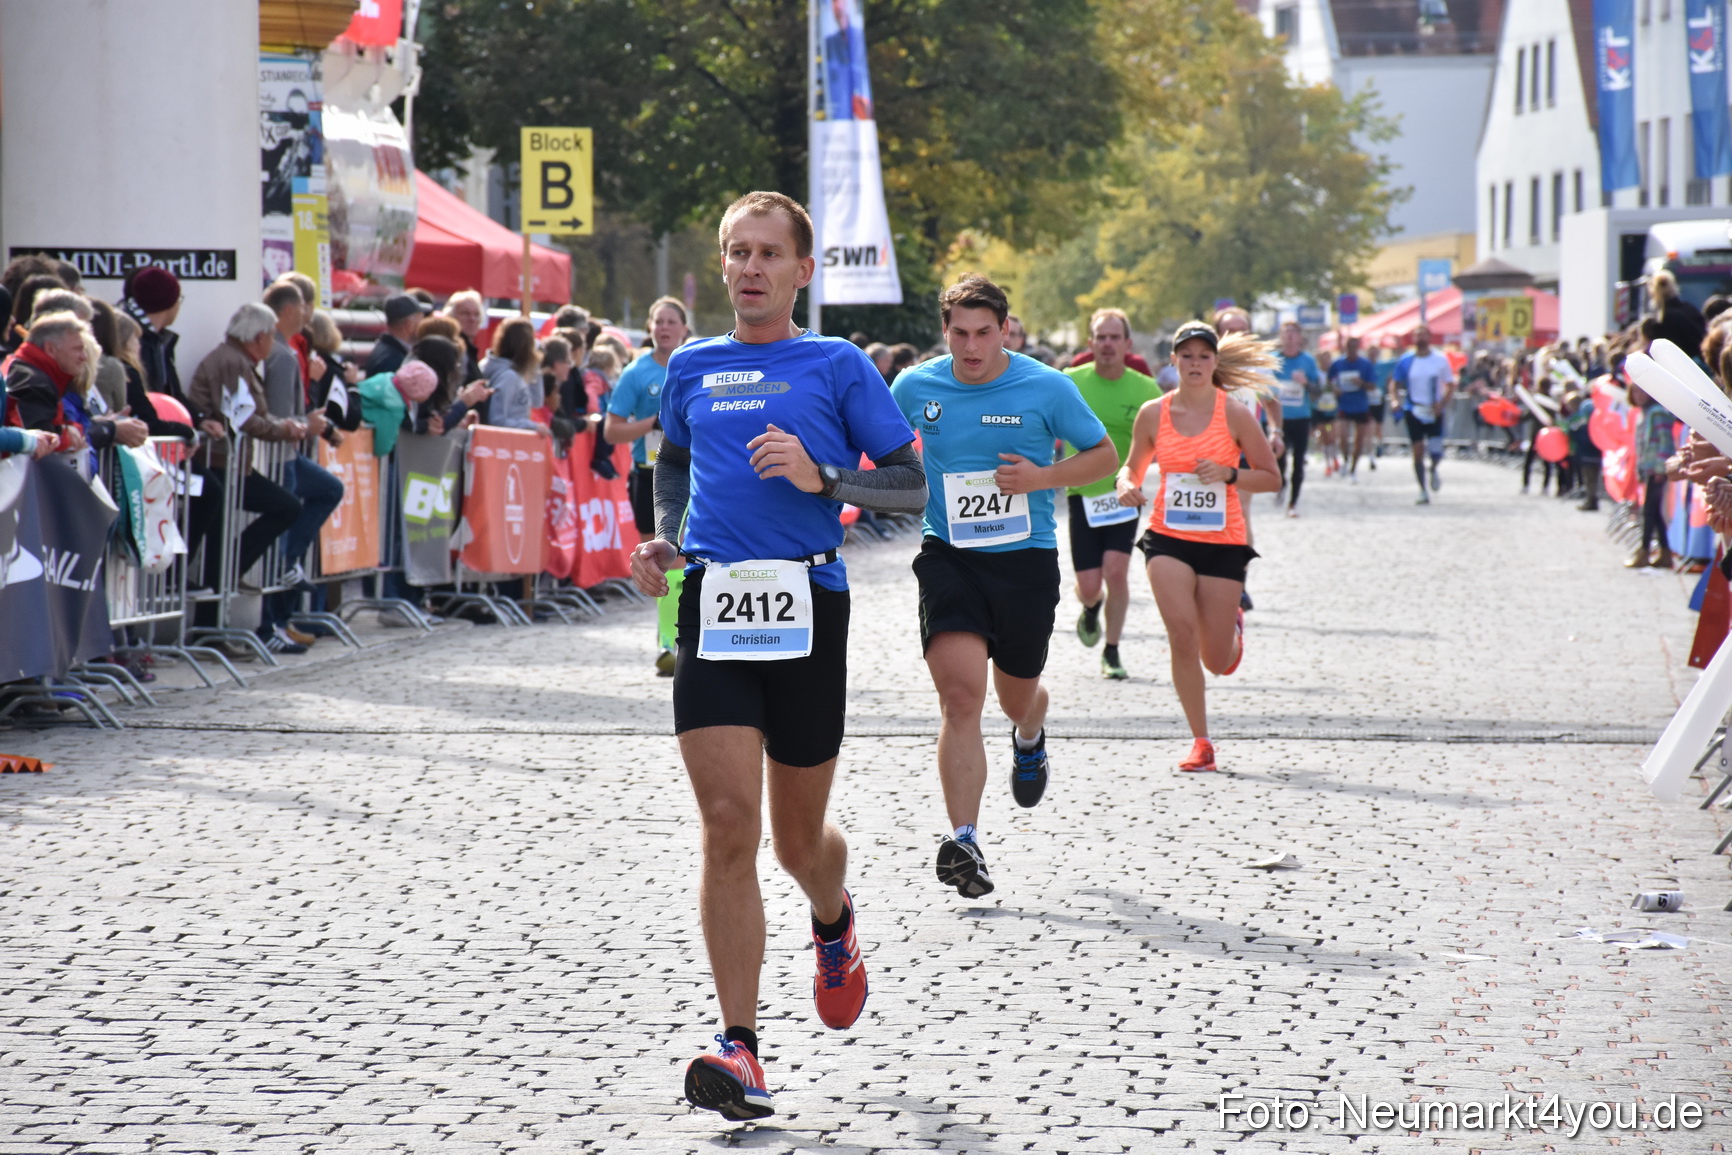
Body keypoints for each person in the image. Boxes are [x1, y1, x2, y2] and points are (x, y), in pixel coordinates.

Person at [628, 191, 925, 1122]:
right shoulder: (692, 366)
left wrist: (822, 478)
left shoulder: (836, 365)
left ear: (802, 269)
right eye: (735, 252)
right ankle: (741, 1046)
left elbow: (913, 489)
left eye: (768, 253)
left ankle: (833, 921)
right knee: (727, 823)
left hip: (807, 601)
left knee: (799, 842)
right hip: (703, 598)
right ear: (722, 265)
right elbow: (671, 464)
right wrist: (664, 536)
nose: (750, 267)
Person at [893, 274, 1116, 897]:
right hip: (948, 557)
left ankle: (1030, 733)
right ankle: (964, 839)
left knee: (1018, 696)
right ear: (945, 332)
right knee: (961, 699)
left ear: (1005, 330)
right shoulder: (915, 385)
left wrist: (1044, 476)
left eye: (984, 333)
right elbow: (874, 446)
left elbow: (1103, 456)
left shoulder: (1046, 386)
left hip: (1024, 562)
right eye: (959, 333)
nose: (971, 347)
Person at [1115, 321, 1282, 773]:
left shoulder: (1234, 415)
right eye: (1185, 356)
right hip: (1167, 538)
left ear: (1215, 362)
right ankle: (1201, 741)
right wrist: (1126, 485)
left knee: (1216, 659)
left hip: (1223, 543)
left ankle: (1233, 631)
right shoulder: (1154, 413)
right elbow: (1130, 468)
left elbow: (1271, 478)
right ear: (1172, 361)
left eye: (1203, 356)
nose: (1194, 363)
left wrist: (1229, 475)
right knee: (1181, 635)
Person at [184, 304, 309, 651]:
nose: (272, 344)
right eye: (270, 336)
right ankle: (210, 623)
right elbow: (243, 417)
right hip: (223, 462)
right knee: (277, 511)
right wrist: (283, 429)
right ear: (259, 336)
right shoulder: (231, 361)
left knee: (227, 544)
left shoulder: (238, 360)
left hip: (235, 464)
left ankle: (217, 604)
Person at [1064, 307, 1163, 680]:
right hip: (1081, 494)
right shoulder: (1070, 382)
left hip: (1124, 493)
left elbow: (1164, 439)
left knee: (1116, 570)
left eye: (1114, 337)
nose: (1107, 344)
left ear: (1127, 343)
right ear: (1090, 343)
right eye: (1100, 337)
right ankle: (1092, 607)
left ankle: (1113, 650)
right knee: (1089, 586)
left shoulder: (1145, 390)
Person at [5, 312, 148, 456]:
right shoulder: (32, 381)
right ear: (51, 349)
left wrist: (72, 429)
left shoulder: (30, 372)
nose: (84, 357)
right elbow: (41, 437)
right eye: (77, 349)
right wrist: (69, 436)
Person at [606, 296, 690, 541]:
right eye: (659, 321)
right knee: (656, 549)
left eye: (671, 322)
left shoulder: (697, 366)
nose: (664, 327)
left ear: (684, 329)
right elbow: (611, 431)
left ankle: (681, 582)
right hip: (649, 473)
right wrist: (652, 423)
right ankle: (661, 582)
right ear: (650, 327)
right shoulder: (635, 372)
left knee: (688, 549)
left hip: (693, 469)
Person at [1392, 325, 1455, 504]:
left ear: (1429, 337)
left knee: (1436, 450)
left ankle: (1434, 468)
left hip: (1434, 410)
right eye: (1417, 335)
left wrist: (1441, 403)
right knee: (1417, 451)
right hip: (1414, 409)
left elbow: (1450, 384)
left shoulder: (1440, 360)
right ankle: (1422, 490)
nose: (1420, 339)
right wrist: (1395, 401)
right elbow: (1394, 383)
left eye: (1423, 335)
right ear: (1413, 339)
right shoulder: (1406, 360)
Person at [1273, 321, 1318, 517]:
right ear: (1281, 337)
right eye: (1286, 333)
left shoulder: (1308, 361)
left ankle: (1293, 503)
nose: (1290, 336)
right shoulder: (1272, 360)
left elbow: (1317, 391)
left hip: (1301, 418)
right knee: (1279, 460)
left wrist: (1306, 382)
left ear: (1300, 338)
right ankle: (1281, 483)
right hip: (1279, 419)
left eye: (1293, 333)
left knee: (1298, 462)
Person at [1630, 382, 1676, 568]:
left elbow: (1665, 441)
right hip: (1648, 467)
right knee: (1654, 512)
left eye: (1642, 391)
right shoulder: (1644, 412)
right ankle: (1665, 553)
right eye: (1635, 391)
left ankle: (1644, 551)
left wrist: (1660, 468)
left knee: (1648, 511)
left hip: (1656, 468)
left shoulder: (1657, 412)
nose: (1639, 395)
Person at [481, 318, 548, 434]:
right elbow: (497, 420)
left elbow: (537, 401)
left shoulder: (516, 374)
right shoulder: (509, 377)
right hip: (504, 445)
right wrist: (531, 426)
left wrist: (534, 364)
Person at [1328, 336, 1376, 481]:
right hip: (1344, 404)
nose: (1352, 350)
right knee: (1342, 436)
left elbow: (1372, 385)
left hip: (1360, 405)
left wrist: (1361, 383)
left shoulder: (1365, 364)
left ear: (1358, 348)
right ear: (1345, 347)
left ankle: (1353, 469)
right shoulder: (1338, 363)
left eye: (1354, 347)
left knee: (1359, 440)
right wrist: (1335, 389)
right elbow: (1330, 381)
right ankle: (1345, 459)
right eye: (1349, 347)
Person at [363, 294, 430, 376]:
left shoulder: (391, 352)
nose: (423, 326)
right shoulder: (393, 360)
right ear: (409, 325)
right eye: (421, 321)